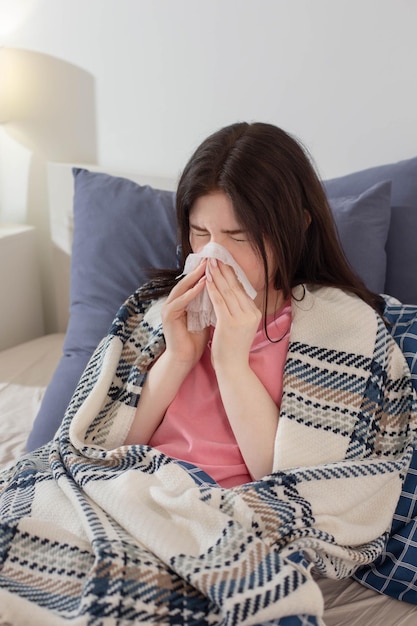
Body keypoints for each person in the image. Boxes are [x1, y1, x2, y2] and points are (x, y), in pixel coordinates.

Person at [124, 121, 386, 488]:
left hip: (238, 513)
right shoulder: (161, 311)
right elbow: (107, 447)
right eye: (200, 233)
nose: (214, 254)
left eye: (239, 236)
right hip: (135, 489)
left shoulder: (337, 328)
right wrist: (178, 357)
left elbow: (296, 487)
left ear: (297, 226)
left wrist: (231, 363)